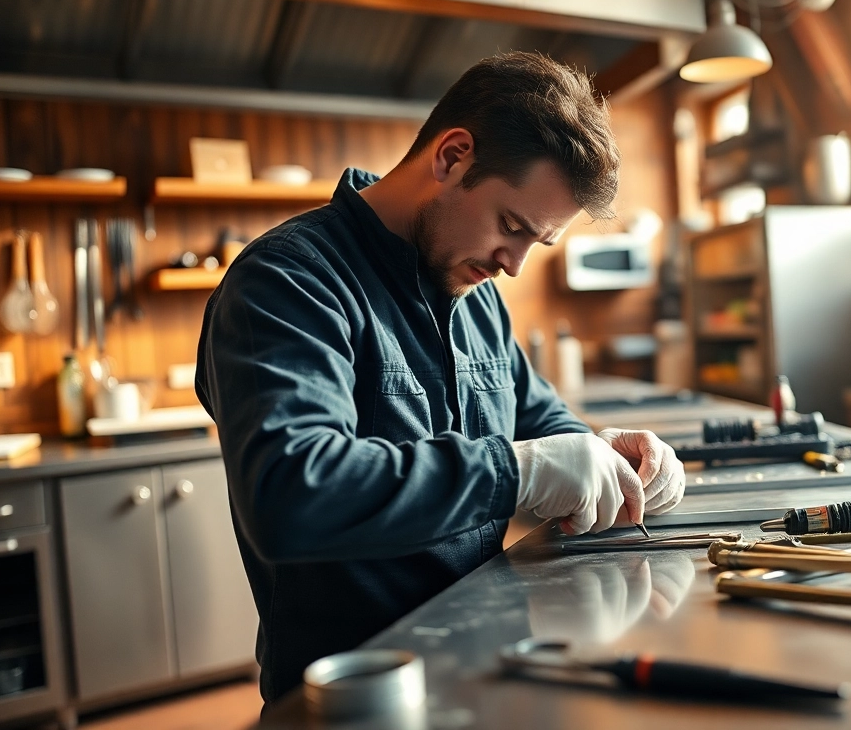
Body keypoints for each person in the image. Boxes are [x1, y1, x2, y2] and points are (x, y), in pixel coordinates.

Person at [195, 51, 686, 704]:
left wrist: (608, 457)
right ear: (452, 157)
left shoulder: (475, 288)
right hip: (355, 696)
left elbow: (537, 419)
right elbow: (293, 491)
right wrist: (520, 472)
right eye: (510, 226)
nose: (512, 265)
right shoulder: (288, 282)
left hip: (487, 665)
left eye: (533, 243)